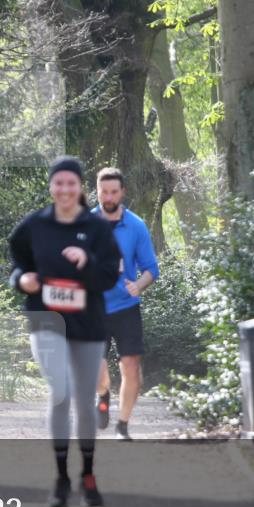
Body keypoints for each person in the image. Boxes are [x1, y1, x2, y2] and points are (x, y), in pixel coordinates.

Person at [9, 157, 121, 507]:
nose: (65, 190)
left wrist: (86, 260)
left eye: (71, 183)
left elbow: (109, 277)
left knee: (85, 403)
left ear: (81, 188)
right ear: (51, 186)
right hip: (46, 319)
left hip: (87, 322)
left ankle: (87, 474)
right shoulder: (34, 225)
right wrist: (20, 280)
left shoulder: (97, 228)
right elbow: (17, 263)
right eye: (59, 183)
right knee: (60, 392)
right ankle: (60, 477)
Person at [92, 167, 160, 441]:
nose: (108, 197)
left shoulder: (136, 225)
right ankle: (103, 395)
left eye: (113, 192)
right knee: (96, 374)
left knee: (131, 367)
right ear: (97, 191)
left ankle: (123, 426)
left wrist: (139, 284)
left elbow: (151, 269)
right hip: (93, 308)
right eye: (103, 192)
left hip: (125, 307)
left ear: (123, 193)